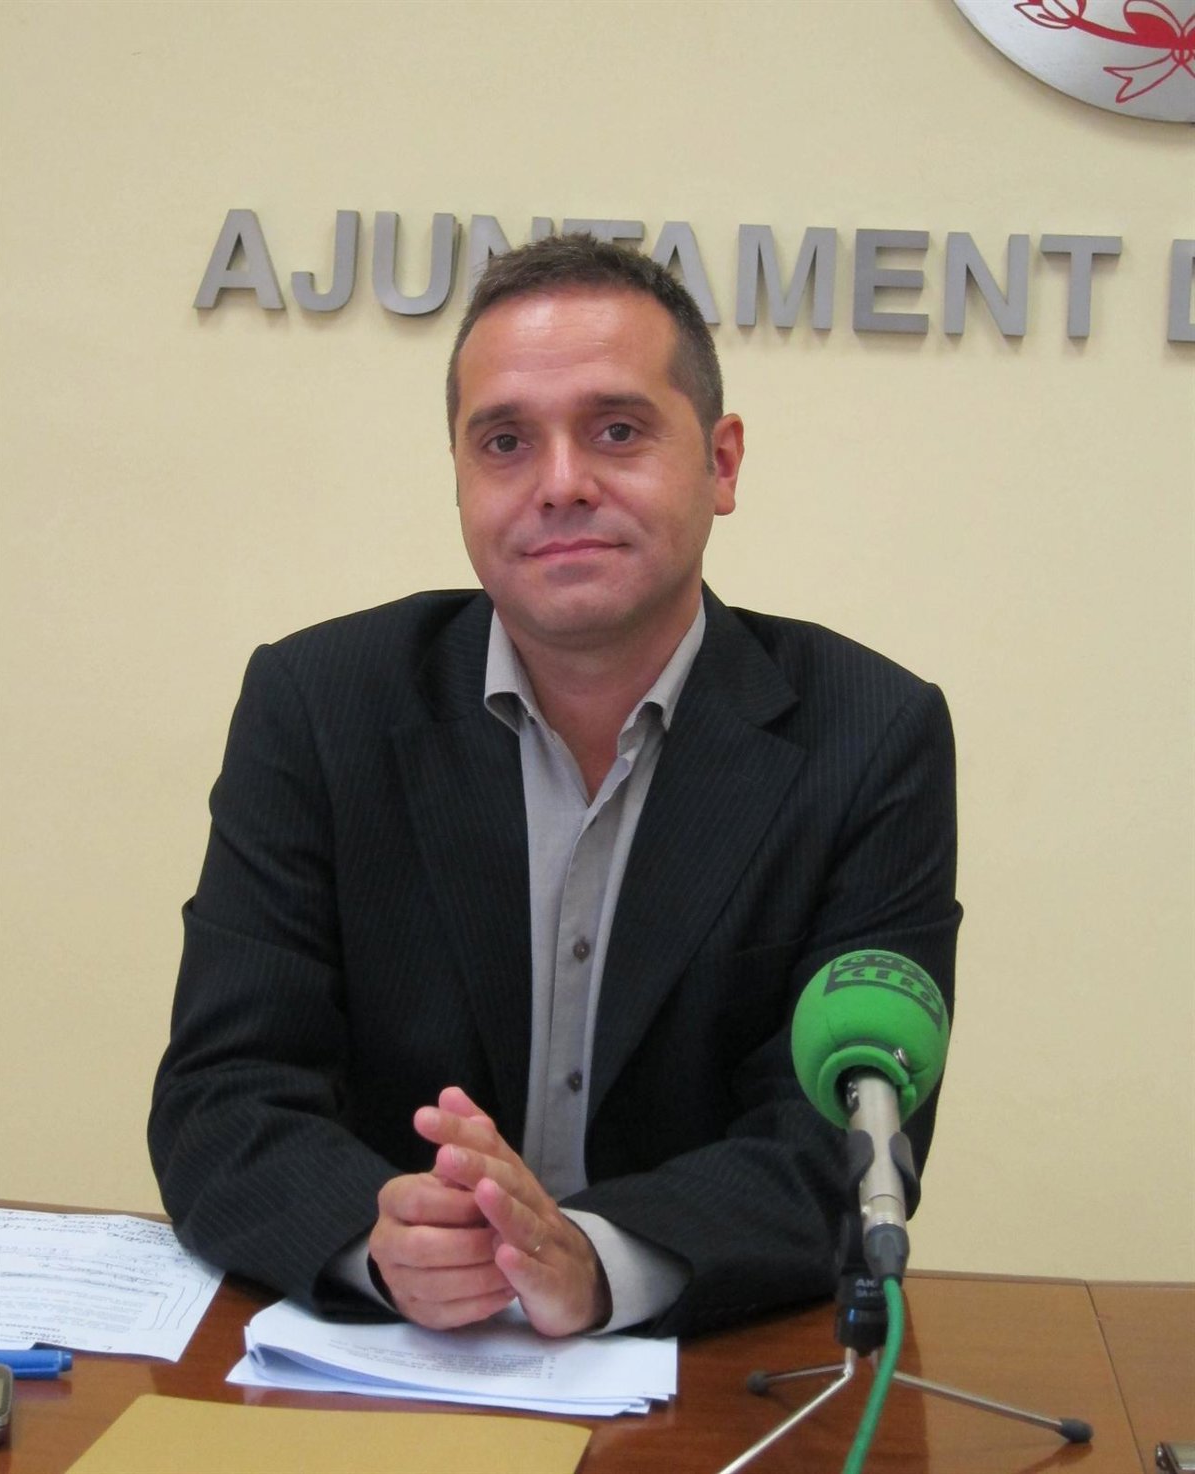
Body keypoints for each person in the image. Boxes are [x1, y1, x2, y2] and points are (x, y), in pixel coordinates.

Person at [148, 233, 960, 1341]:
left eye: (617, 430)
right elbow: (223, 1092)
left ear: (721, 463)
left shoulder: (869, 735)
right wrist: (378, 1240)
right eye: (505, 442)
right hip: (385, 1364)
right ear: (459, 476)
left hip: (706, 1373)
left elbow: (849, 1144)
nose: (562, 483)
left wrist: (594, 1258)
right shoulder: (318, 706)